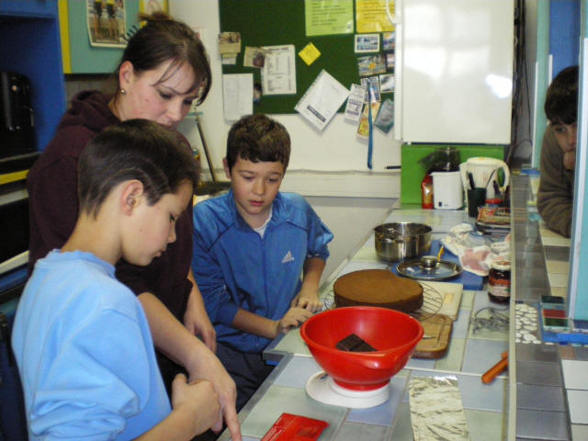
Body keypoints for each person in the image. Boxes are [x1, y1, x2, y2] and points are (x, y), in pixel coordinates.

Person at [25, 12, 241, 440]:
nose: (174, 114)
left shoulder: (164, 144)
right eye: (164, 95)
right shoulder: (73, 160)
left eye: (187, 101)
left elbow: (171, 236)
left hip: (162, 334)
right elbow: (118, 284)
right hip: (113, 350)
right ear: (126, 75)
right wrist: (194, 354)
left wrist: (191, 293)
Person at [13, 120, 221, 440]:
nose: (172, 236)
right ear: (132, 197)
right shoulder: (105, 302)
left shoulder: (43, 281)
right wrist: (190, 418)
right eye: (170, 217)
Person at [192, 114, 334, 409]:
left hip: (289, 344)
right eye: (248, 177)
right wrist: (272, 327)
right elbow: (215, 305)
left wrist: (309, 288)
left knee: (292, 413)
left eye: (272, 179)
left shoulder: (296, 210)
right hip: (233, 355)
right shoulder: (205, 222)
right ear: (227, 168)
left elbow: (317, 251)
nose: (259, 191)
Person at [537, 65, 578, 238]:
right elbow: (550, 199)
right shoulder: (552, 138)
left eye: (578, 126)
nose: (571, 140)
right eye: (561, 129)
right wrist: (578, 230)